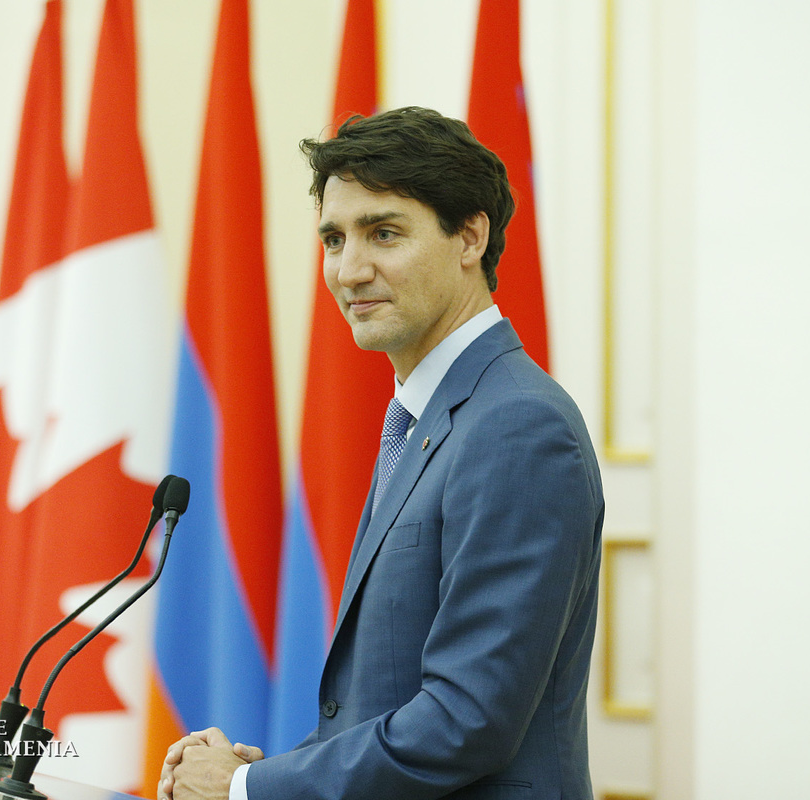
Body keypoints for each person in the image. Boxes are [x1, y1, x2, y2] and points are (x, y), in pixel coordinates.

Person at [159, 106, 604, 800]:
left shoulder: (516, 426)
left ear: (470, 236)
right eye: (334, 239)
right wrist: (252, 776)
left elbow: (466, 721)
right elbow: (380, 708)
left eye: (384, 233)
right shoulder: (428, 417)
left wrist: (245, 788)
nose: (349, 270)